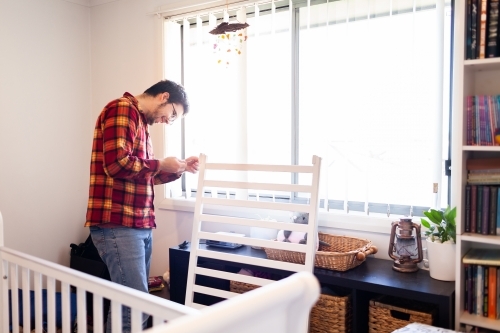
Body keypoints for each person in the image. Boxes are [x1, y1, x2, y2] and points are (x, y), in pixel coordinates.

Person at [84, 80, 199, 332]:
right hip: (118, 223)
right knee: (136, 305)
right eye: (173, 114)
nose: (168, 121)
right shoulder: (122, 109)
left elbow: (142, 174)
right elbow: (117, 165)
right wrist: (160, 164)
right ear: (163, 97)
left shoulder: (140, 123)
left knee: (131, 302)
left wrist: (177, 168)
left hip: (137, 223)